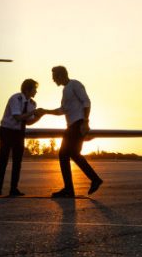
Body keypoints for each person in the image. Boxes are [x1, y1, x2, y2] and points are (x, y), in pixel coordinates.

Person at [41, 66, 103, 198]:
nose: (53, 80)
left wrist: (86, 121)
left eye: (54, 77)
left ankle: (70, 189)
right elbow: (62, 110)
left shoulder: (75, 84)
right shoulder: (65, 90)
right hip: (72, 125)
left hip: (78, 123)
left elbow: (86, 101)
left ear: (60, 75)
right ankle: (94, 179)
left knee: (63, 154)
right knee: (73, 154)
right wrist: (45, 111)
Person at [0, 79, 44, 198]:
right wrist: (33, 112)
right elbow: (17, 117)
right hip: (7, 131)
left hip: (19, 132)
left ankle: (14, 188)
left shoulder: (32, 103)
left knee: (17, 162)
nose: (36, 92)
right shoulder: (15, 98)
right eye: (35, 89)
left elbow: (28, 122)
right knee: (3, 160)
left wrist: (39, 116)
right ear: (28, 89)